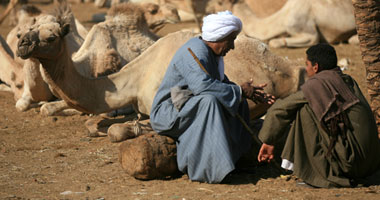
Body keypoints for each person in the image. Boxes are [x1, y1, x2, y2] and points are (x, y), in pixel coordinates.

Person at [150, 11, 275, 183]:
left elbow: (218, 84)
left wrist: (246, 92)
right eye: (230, 40)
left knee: (236, 99)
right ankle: (210, 170)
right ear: (219, 37)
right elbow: (202, 86)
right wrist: (239, 91)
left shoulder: (210, 54)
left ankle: (235, 158)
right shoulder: (194, 52)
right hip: (169, 112)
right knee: (210, 101)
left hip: (188, 106)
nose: (232, 47)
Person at [257, 43, 380, 188]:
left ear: (316, 67)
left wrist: (268, 141)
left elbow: (280, 108)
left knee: (304, 109)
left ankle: (319, 174)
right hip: (370, 164)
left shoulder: (319, 85)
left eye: (307, 64)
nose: (306, 69)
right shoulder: (346, 80)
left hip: (351, 164)